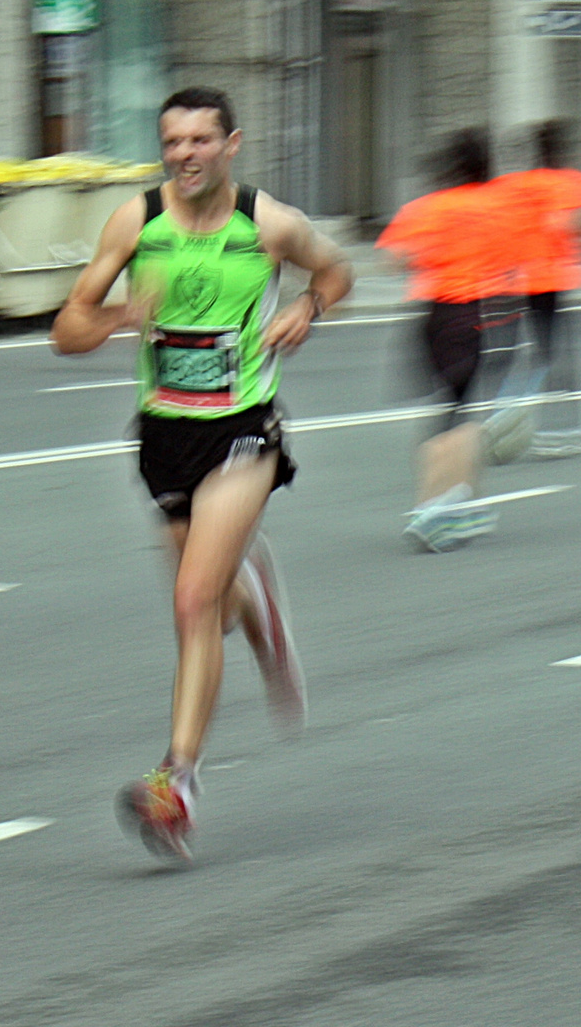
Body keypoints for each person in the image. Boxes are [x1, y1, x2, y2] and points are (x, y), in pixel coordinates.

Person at [53, 87, 353, 863]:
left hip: (243, 430)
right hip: (163, 434)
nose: (184, 155)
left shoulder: (269, 224)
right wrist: (120, 316)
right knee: (213, 612)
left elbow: (337, 272)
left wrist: (309, 309)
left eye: (199, 141)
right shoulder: (135, 222)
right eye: (172, 142)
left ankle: (176, 782)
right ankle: (259, 607)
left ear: (231, 145)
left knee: (192, 600)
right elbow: (66, 329)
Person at [378, 128, 524, 551]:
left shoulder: (427, 207)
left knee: (446, 407)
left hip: (429, 318)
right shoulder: (497, 206)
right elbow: (514, 266)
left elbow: (392, 259)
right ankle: (439, 505)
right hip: (471, 314)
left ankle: (441, 503)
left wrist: (436, 255)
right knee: (461, 414)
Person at [497, 119, 581, 457]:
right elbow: (579, 223)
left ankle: (509, 415)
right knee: (556, 355)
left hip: (522, 278)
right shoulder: (577, 184)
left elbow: (506, 227)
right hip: (556, 279)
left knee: (529, 351)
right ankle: (556, 426)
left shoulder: (520, 185)